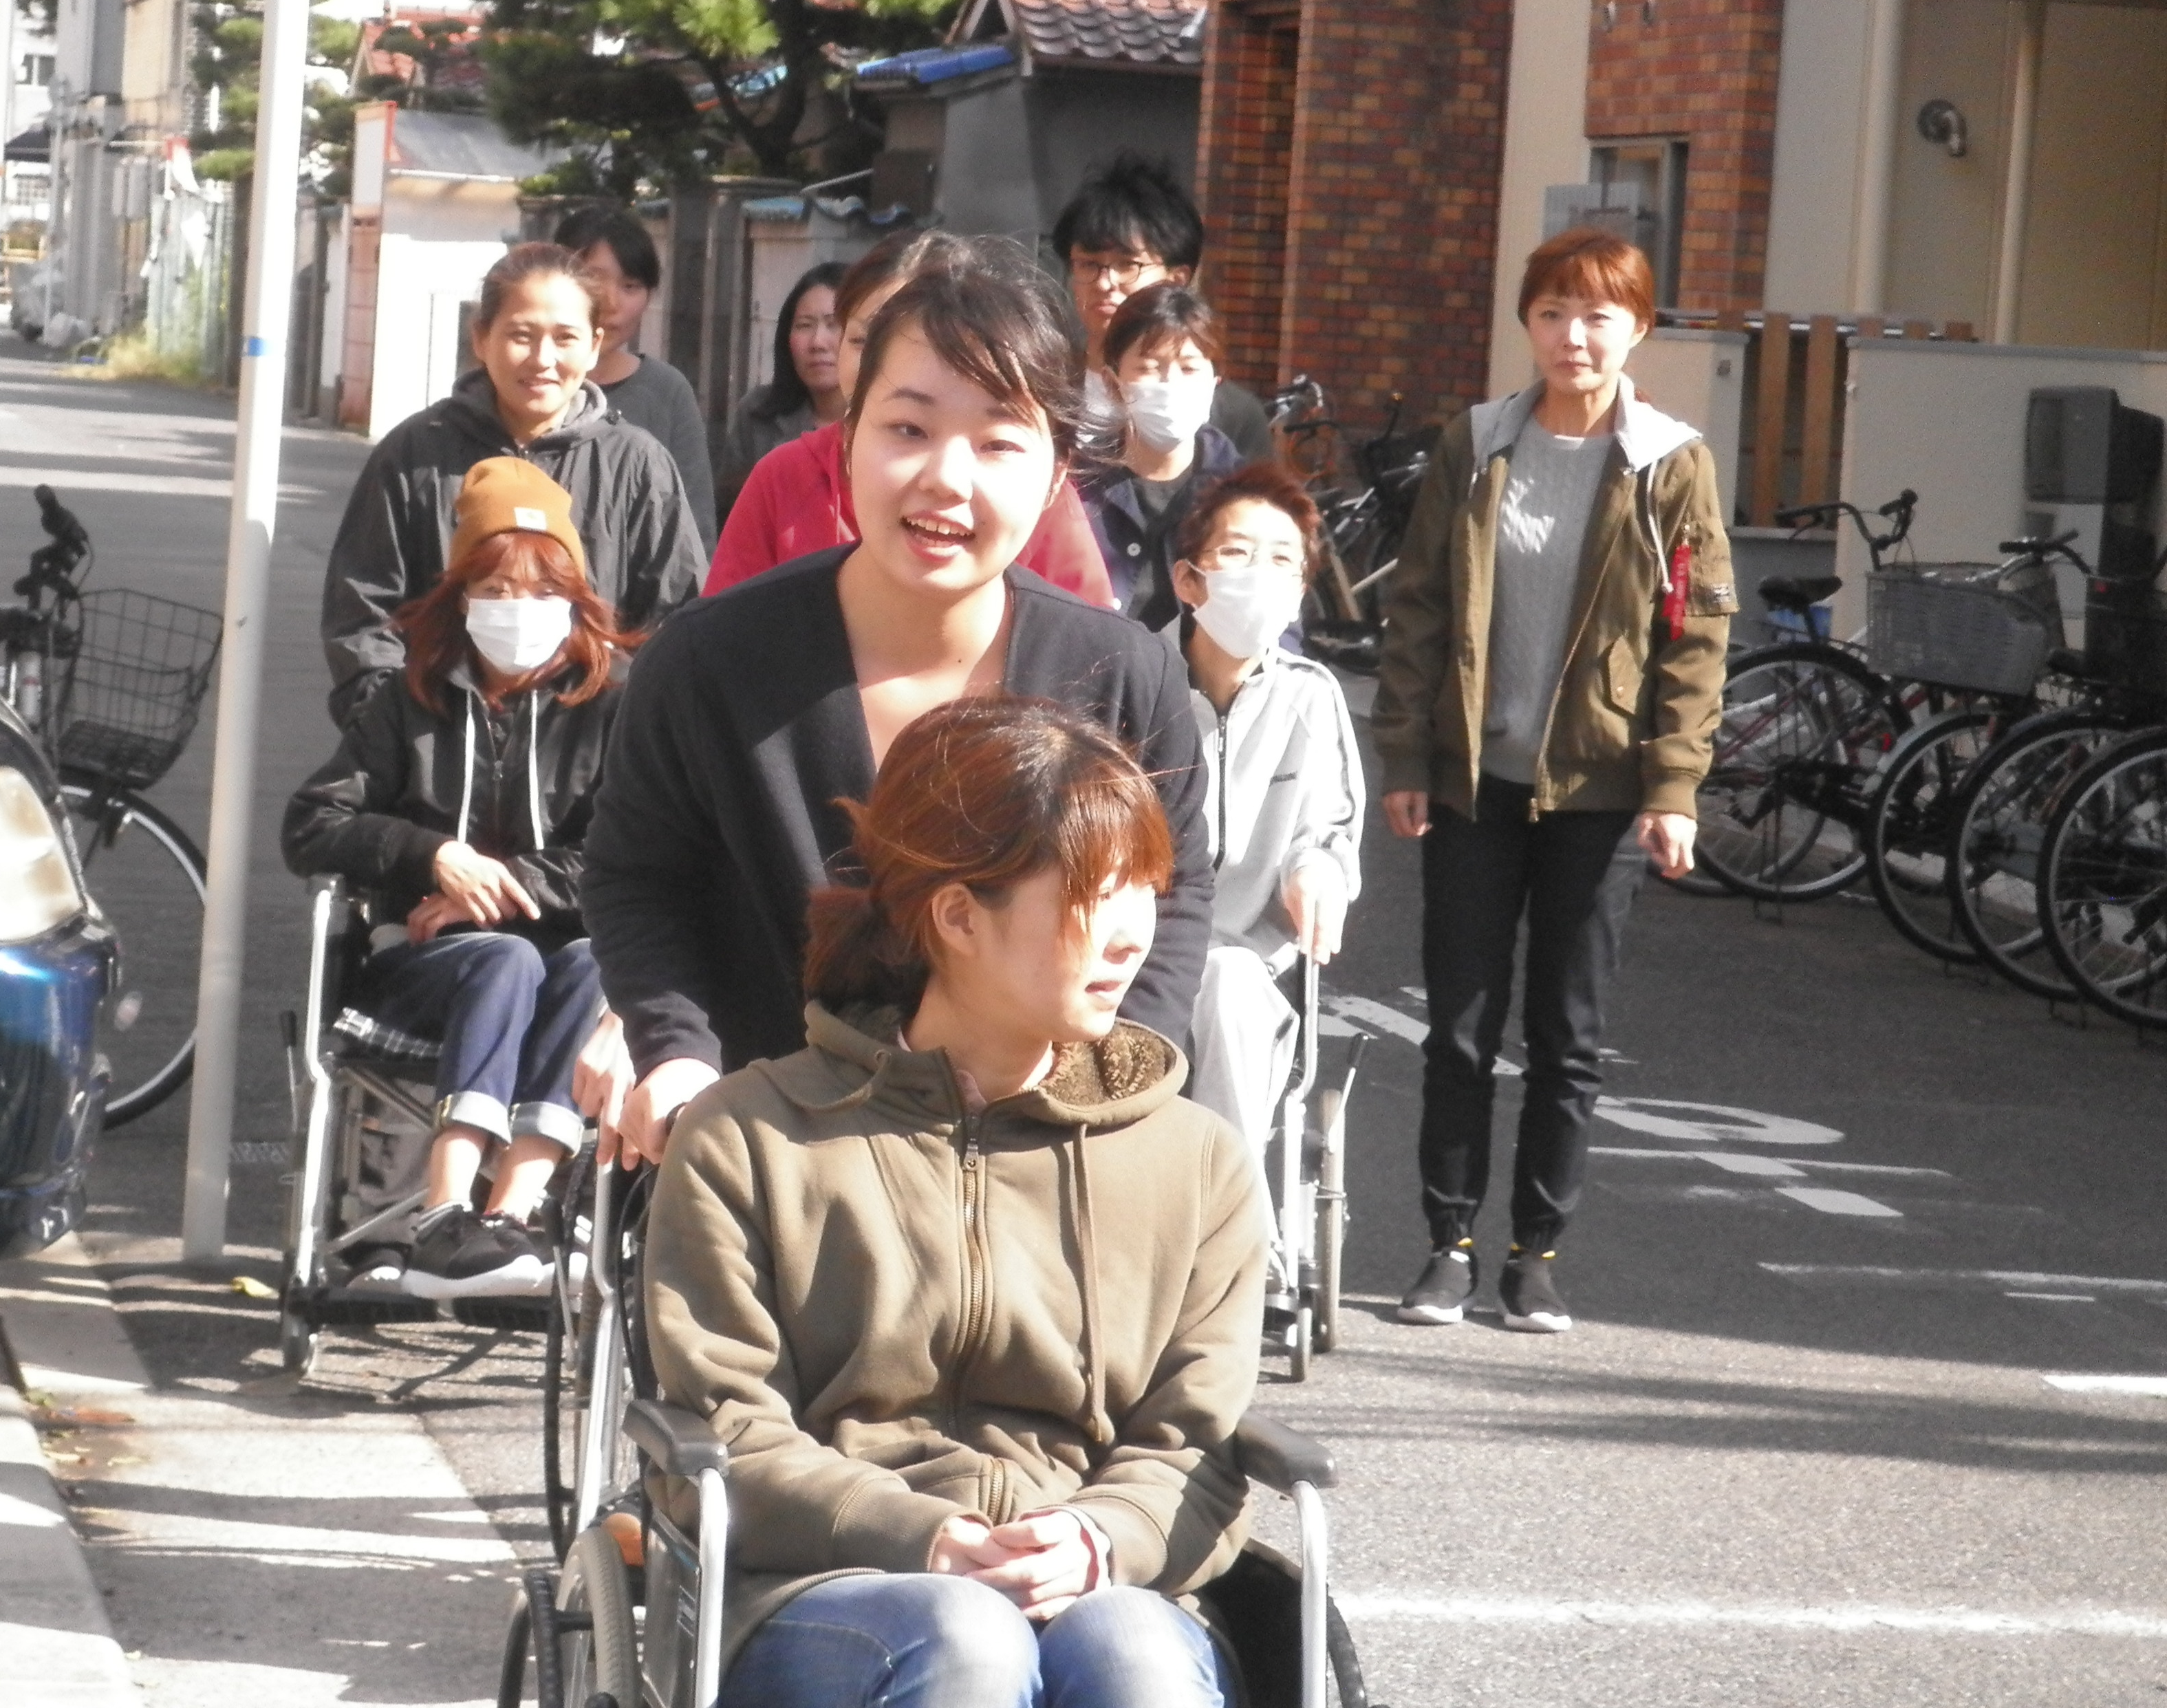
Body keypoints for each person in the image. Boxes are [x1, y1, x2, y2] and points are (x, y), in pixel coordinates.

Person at [645, 694, 1269, 1708]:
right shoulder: (751, 1135)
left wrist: (1095, 1538)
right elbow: (722, 1431)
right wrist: (924, 1537)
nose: (1130, 932)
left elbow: (1193, 1441)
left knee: (1133, 1647)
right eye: (1089, 893)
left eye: (1144, 890)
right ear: (955, 916)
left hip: (1102, 1592)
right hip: (823, 1603)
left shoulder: (1192, 1160)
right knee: (963, 1642)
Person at [579, 238, 1214, 1167]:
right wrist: (676, 1053)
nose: (945, 478)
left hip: (1035, 1161)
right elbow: (637, 877)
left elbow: (1174, 892)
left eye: (998, 442)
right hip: (770, 1164)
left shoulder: (1123, 674)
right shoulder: (708, 663)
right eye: (908, 429)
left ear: (1054, 474)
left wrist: (1109, 1086)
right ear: (846, 441)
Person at [1372, 226, 1734, 1334]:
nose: (1574, 336)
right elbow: (1420, 606)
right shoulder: (1478, 441)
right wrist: (1409, 755)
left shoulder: (1670, 462)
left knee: (1568, 1039)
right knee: (1459, 1030)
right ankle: (1448, 1246)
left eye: (1599, 315)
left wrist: (1674, 787)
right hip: (1476, 782)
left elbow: (1696, 637)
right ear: (1526, 323)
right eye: (1552, 313)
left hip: (1603, 791)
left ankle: (1536, 1257)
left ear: (1639, 328)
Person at [283, 460, 631, 1298]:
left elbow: (626, 851)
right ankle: (443, 1217)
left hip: (560, 965)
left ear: (574, 598)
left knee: (584, 963)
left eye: (540, 589)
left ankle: (507, 1217)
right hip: (423, 968)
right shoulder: (406, 701)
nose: (518, 609)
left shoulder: (614, 706)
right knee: (501, 960)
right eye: (496, 589)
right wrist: (430, 855)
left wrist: (501, 882)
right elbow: (311, 825)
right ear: (462, 598)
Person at [319, 241, 704, 722]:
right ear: (481, 338)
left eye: (565, 338)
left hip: (592, 754)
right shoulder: (414, 455)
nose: (542, 359)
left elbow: (675, 621)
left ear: (594, 345)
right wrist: (399, 730)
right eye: (522, 335)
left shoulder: (637, 465)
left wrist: (620, 730)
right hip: (435, 747)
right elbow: (363, 614)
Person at [1166, 462, 1365, 1295]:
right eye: (1237, 553)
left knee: (1226, 982)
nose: (1260, 576)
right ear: (1189, 580)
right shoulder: (1133, 679)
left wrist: (1316, 870)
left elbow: (1329, 830)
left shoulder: (1310, 698)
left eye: (1282, 561)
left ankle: (1233, 1244)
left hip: (1250, 963)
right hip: (1135, 956)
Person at [704, 230, 1113, 607]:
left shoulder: (1028, 487)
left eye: (997, 444)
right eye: (864, 340)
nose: (947, 481)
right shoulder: (783, 475)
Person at [1050, 151, 1273, 462]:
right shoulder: (1045, 389)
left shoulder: (1232, 415)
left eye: (1128, 265)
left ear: (1177, 279)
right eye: (1088, 265)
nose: (1105, 283)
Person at [1074, 283, 1246, 628]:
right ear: (1113, 384)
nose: (1171, 384)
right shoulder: (1073, 486)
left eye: (1189, 368)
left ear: (1215, 382)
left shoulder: (1244, 495)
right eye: (1148, 368)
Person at [553, 205, 718, 549]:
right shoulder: (526, 385)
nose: (611, 302)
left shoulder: (667, 392)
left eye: (631, 286)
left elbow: (694, 532)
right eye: (594, 280)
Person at [717, 258, 850, 517]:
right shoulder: (758, 414)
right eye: (804, 326)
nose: (818, 342)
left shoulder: (886, 420)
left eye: (833, 324)